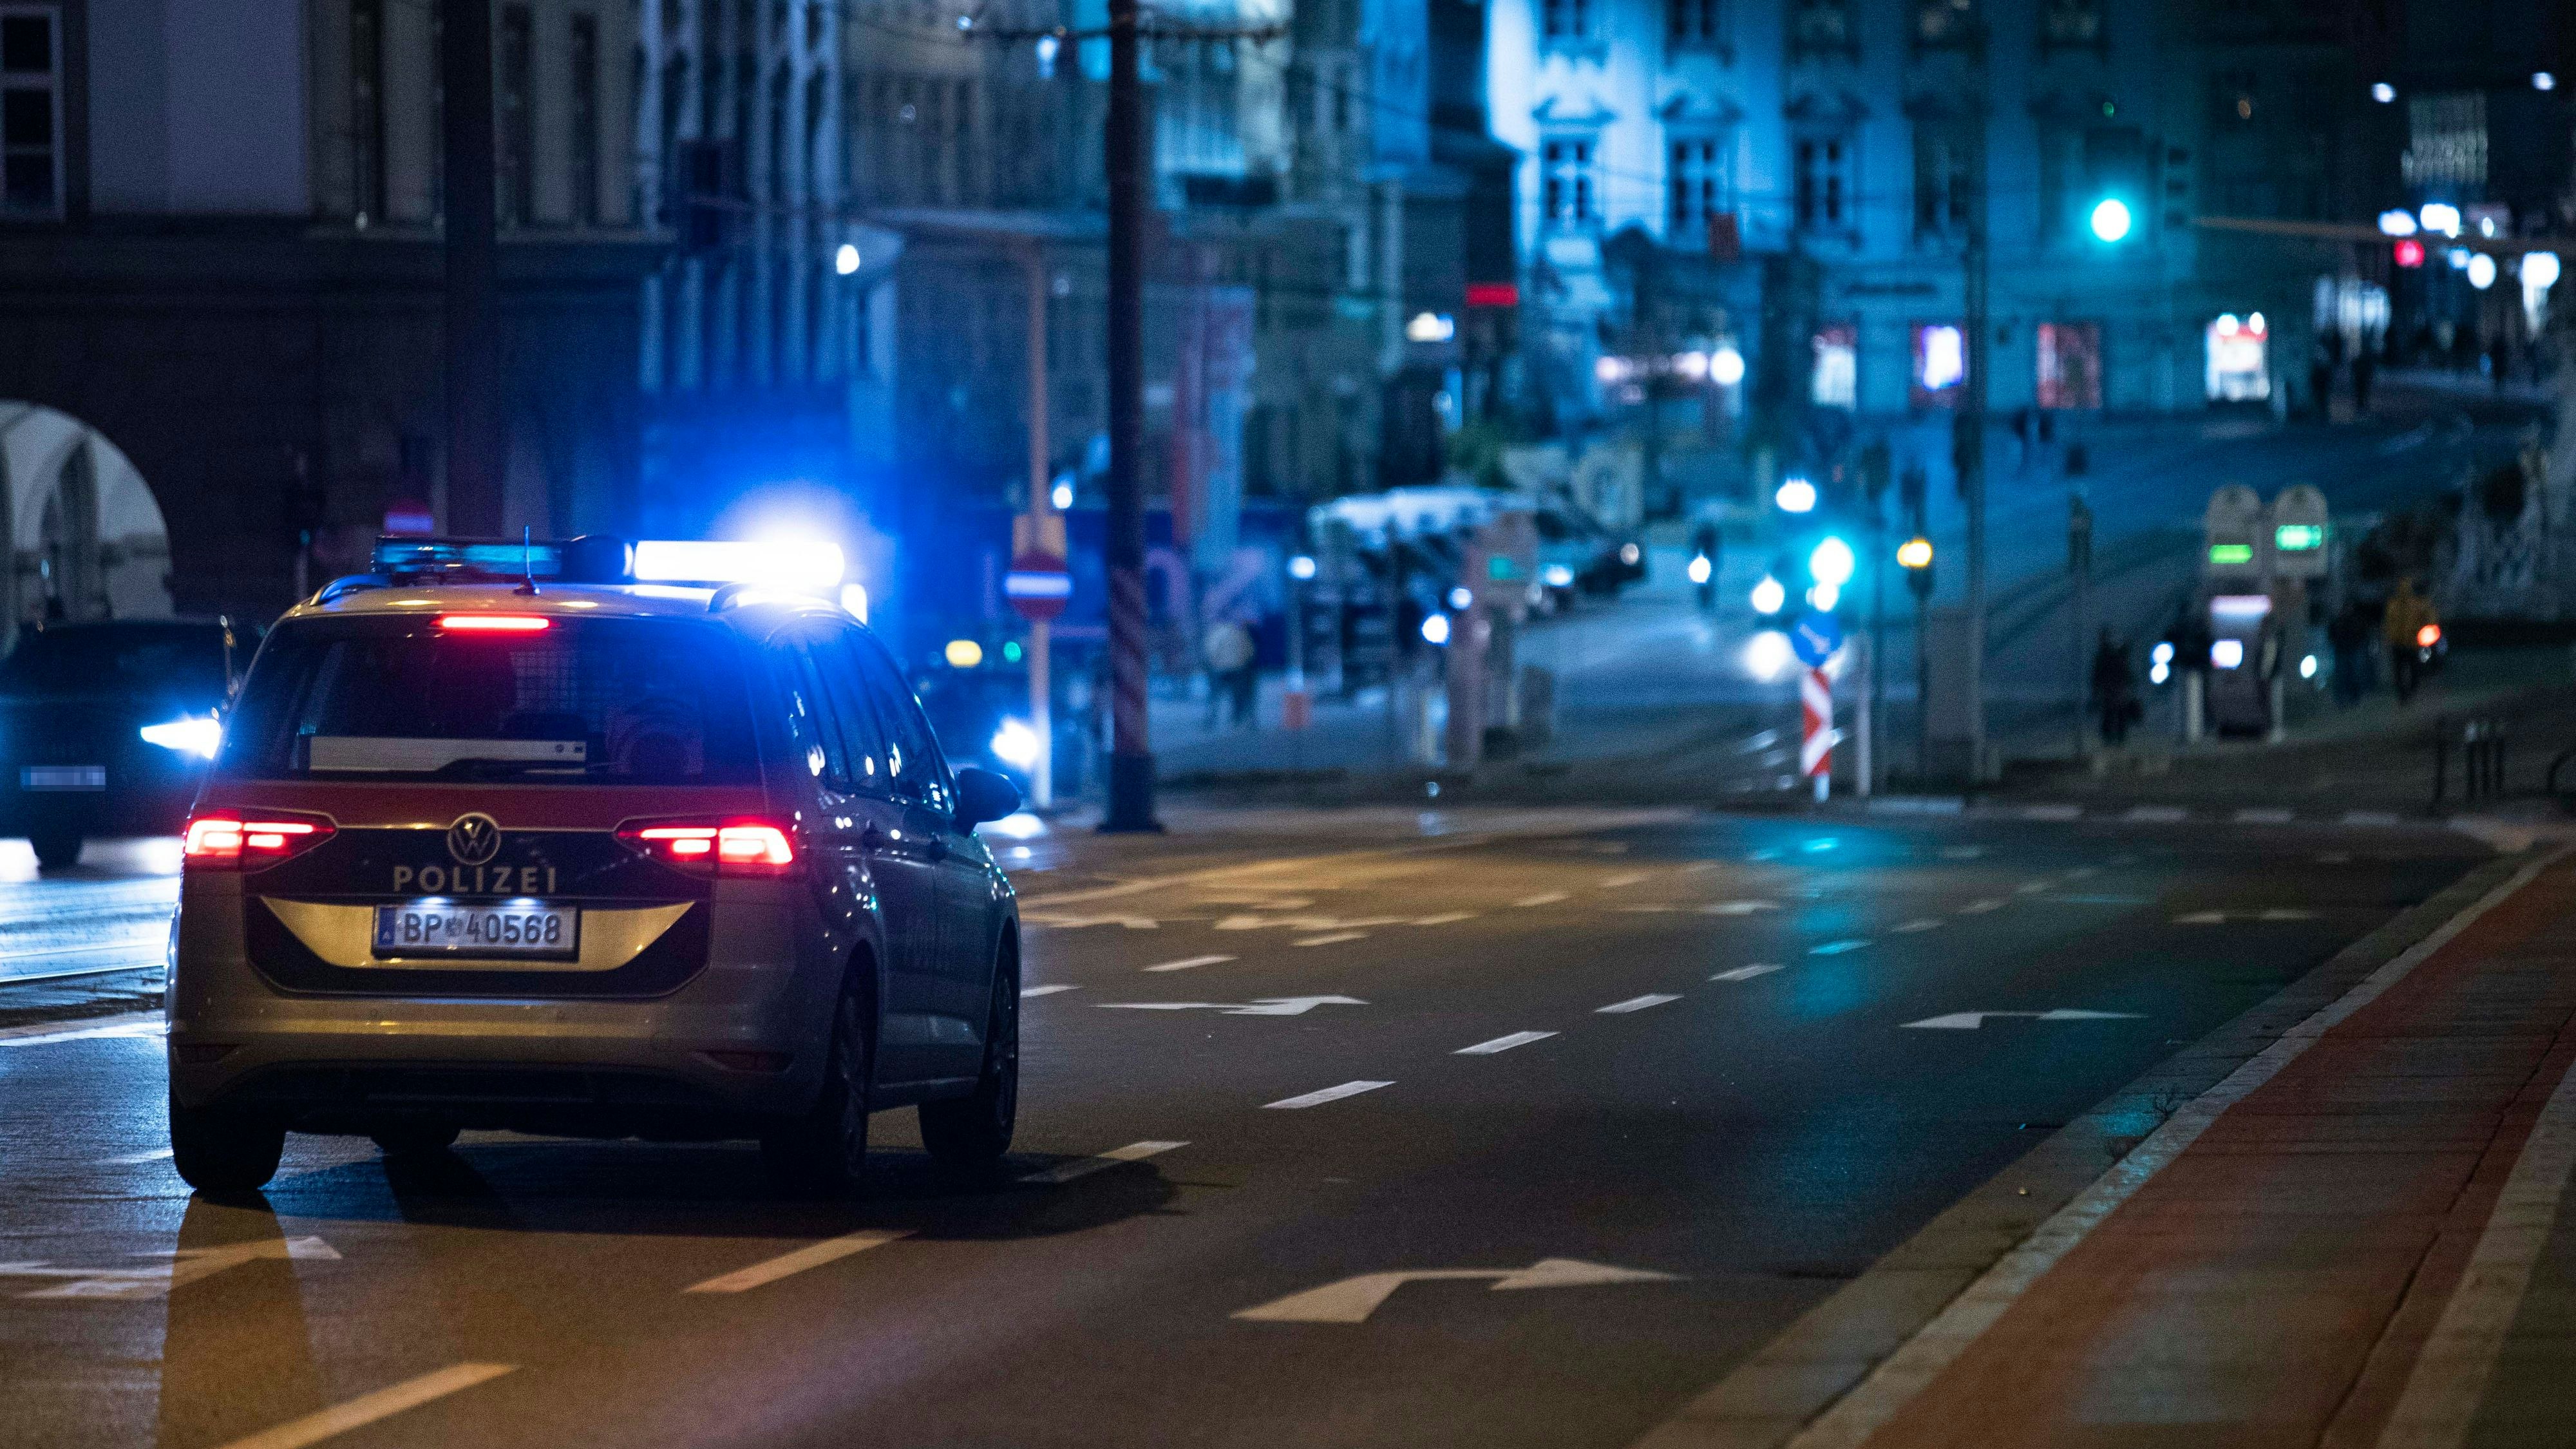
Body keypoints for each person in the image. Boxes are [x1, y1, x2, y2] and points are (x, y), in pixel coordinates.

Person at [2383, 579, 2437, 705]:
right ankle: (2405, 695)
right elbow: (2388, 624)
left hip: (2409, 643)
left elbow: (2429, 618)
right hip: (2403, 643)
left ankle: (2407, 693)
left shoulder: (2410, 604)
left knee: (2410, 670)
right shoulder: (2395, 605)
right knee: (2405, 671)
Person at [2090, 629, 2139, 747]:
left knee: (2115, 713)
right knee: (2112, 713)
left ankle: (2115, 738)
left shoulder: (2108, 655)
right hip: (2114, 688)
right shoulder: (2111, 655)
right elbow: (2099, 674)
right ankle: (2114, 738)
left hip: (2115, 688)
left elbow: (2098, 674)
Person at [2326, 598, 2372, 708]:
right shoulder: (2340, 621)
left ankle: (2353, 699)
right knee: (2342, 676)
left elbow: (2362, 633)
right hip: (2342, 651)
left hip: (2352, 650)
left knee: (2353, 675)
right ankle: (2342, 700)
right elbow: (2332, 634)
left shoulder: (2353, 621)